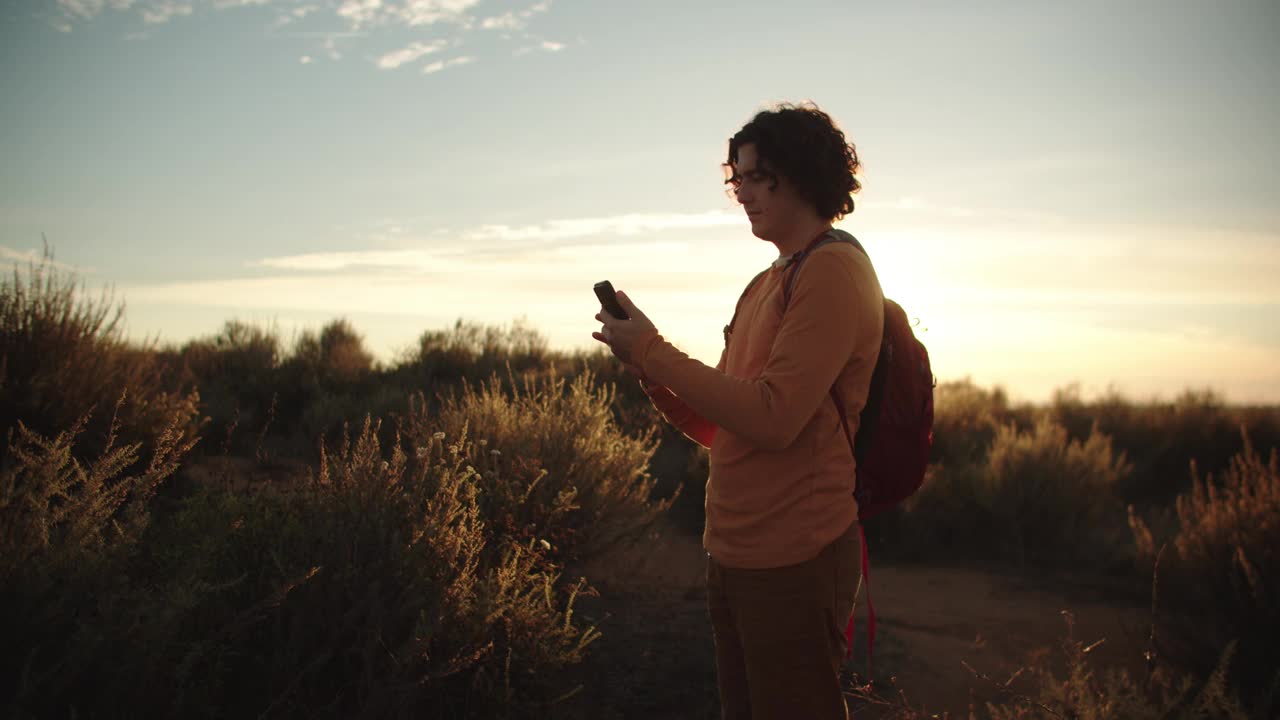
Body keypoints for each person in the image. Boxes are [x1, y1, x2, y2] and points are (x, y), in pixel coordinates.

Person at [592, 102, 884, 719]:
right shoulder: (764, 283)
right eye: (736, 179)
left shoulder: (833, 269)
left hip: (796, 555)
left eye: (753, 175)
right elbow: (719, 426)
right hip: (734, 552)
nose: (740, 192)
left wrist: (652, 348)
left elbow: (774, 417)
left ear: (798, 172)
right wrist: (646, 367)